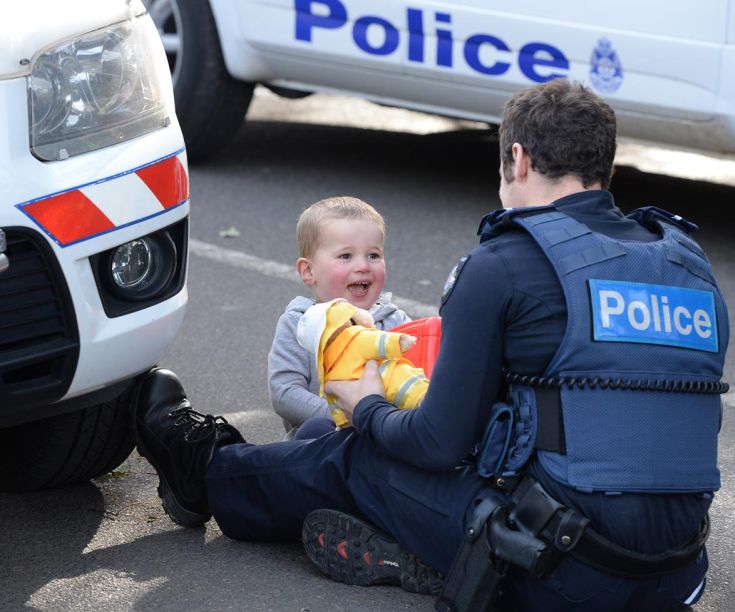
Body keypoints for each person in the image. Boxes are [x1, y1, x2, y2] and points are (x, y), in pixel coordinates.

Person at [133, 79, 729, 611]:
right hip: (674, 575)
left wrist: (366, 403)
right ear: (606, 167)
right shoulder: (686, 263)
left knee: (356, 454)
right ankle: (403, 544)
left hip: (563, 571)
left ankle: (203, 471)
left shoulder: (506, 262)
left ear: (516, 160)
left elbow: (438, 444)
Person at [267, 196, 410, 439]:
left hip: (384, 439)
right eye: (346, 256)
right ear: (309, 271)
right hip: (324, 440)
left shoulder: (395, 322)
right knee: (314, 431)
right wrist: (345, 415)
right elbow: (284, 393)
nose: (363, 266)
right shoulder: (300, 323)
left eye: (373, 255)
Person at [297, 298, 427, 428]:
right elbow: (379, 342)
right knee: (424, 400)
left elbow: (336, 406)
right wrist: (399, 341)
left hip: (373, 417)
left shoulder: (329, 372)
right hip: (403, 385)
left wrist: (343, 424)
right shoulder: (353, 336)